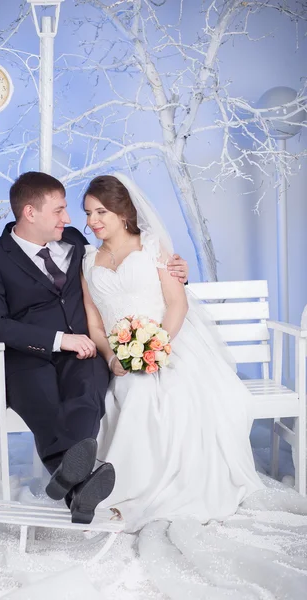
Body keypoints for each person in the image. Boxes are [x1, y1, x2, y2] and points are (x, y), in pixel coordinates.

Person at [0, 171, 189, 524]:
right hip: (29, 357)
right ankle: (78, 485)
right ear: (30, 213)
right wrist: (58, 340)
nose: (71, 220)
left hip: (83, 351)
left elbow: (126, 255)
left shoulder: (73, 241)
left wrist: (177, 270)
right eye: (59, 210)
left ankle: (71, 482)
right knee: (44, 400)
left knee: (88, 390)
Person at [81, 173, 264, 533]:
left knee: (178, 395)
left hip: (169, 342)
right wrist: (112, 357)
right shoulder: (88, 261)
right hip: (120, 355)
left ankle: (143, 490)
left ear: (122, 212)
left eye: (100, 212)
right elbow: (95, 325)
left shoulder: (152, 248)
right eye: (87, 213)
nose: (92, 221)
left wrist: (156, 347)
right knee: (134, 392)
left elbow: (176, 304)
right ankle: (120, 488)